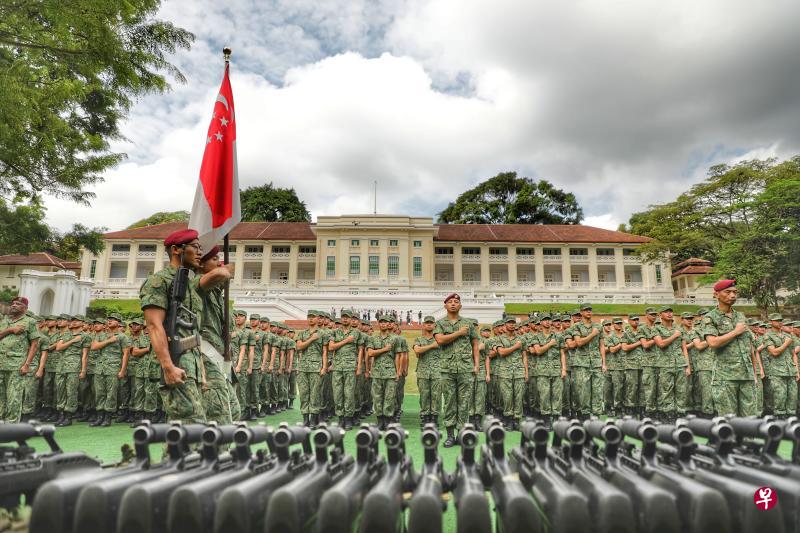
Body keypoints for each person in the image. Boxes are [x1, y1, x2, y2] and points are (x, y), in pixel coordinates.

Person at [140, 228, 232, 423]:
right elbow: (154, 326)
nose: (200, 252)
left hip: (193, 365)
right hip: (174, 361)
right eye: (195, 247)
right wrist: (168, 366)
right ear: (176, 250)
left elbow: (193, 333)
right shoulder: (159, 281)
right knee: (191, 425)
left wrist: (203, 373)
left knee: (188, 428)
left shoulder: (189, 286)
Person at [702, 280, 759, 417]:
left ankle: (747, 440)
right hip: (725, 377)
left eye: (735, 292)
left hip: (746, 375)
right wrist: (735, 332)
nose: (732, 295)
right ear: (716, 294)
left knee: (750, 419)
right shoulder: (710, 317)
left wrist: (754, 373)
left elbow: (749, 346)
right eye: (728, 292)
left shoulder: (740, 316)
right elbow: (712, 343)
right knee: (729, 419)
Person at [197, 246, 236, 425]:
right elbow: (215, 276)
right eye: (214, 259)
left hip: (219, 355)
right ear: (201, 263)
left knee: (233, 410)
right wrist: (224, 272)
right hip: (206, 355)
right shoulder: (197, 286)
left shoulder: (216, 294)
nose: (219, 262)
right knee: (218, 414)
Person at [434, 293, 479, 447]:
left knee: (464, 402)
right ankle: (450, 435)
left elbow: (475, 345)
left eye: (456, 301)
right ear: (445, 306)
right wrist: (459, 333)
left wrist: (476, 364)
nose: (453, 304)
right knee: (449, 402)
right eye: (450, 302)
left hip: (465, 368)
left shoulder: (468, 323)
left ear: (460, 306)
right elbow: (440, 340)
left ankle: (461, 434)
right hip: (447, 369)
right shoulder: (440, 324)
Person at [0, 297, 41, 422]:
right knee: (1, 397)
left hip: (16, 365)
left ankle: (11, 425)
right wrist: (10, 330)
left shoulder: (30, 322)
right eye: (13, 303)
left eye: (18, 304)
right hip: (1, 363)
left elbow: (34, 344)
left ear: (25, 308)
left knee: (14, 397)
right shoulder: (5, 320)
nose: (14, 305)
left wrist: (27, 364)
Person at [53, 316, 92, 426]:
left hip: (74, 366)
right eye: (73, 321)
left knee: (71, 391)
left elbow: (85, 355)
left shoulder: (85, 336)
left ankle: (68, 416)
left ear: (82, 323)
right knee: (60, 390)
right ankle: (61, 414)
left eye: (77, 321)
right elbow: (58, 348)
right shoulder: (66, 334)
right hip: (61, 366)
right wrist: (73, 341)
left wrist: (83, 370)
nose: (74, 323)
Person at [653, 306, 691, 420]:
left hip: (680, 364)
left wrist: (687, 366)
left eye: (671, 312)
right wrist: (674, 335)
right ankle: (668, 415)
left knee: (682, 390)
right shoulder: (656, 329)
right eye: (666, 312)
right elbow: (661, 344)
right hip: (665, 364)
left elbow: (684, 348)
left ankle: (680, 414)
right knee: (666, 391)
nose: (669, 314)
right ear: (661, 315)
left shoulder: (679, 329)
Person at [328, 309, 363, 429]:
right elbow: (331, 347)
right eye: (343, 317)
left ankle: (348, 418)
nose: (345, 319)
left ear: (351, 318)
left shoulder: (356, 332)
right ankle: (340, 418)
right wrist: (346, 341)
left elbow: (360, 350)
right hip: (337, 366)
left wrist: (359, 367)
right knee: (337, 394)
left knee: (349, 394)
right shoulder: (334, 332)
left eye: (347, 317)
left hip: (350, 366)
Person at [367, 315, 401, 430]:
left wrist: (398, 372)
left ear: (389, 324)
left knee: (389, 397)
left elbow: (397, 356)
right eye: (381, 322)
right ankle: (380, 421)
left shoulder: (395, 339)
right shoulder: (373, 339)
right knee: (377, 397)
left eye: (385, 322)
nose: (383, 324)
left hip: (390, 372)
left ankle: (387, 421)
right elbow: (370, 353)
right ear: (378, 324)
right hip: (377, 372)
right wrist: (384, 350)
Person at [532, 314, 566, 429]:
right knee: (544, 395)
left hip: (556, 369)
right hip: (542, 371)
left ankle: (556, 419)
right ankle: (546, 419)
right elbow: (538, 351)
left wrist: (564, 369)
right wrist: (550, 344)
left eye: (548, 319)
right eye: (544, 320)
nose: (547, 322)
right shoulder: (536, 337)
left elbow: (562, 354)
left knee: (557, 395)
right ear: (540, 323)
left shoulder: (558, 337)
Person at [571, 304, 605, 418]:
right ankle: (584, 414)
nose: (589, 312)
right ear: (581, 313)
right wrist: (592, 334)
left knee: (598, 389)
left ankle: (596, 414)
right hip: (582, 362)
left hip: (596, 362)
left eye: (590, 310)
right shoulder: (576, 327)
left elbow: (601, 346)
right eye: (586, 310)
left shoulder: (598, 326)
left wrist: (603, 363)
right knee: (584, 390)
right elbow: (579, 343)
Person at [762, 313, 799, 417]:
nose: (780, 322)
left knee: (793, 397)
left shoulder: (788, 336)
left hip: (791, 371)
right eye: (777, 320)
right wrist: (786, 343)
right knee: (780, 397)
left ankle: (791, 419)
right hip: (777, 371)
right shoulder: (767, 336)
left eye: (780, 320)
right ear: (771, 322)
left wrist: (797, 370)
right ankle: (780, 419)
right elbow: (774, 352)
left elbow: (793, 354)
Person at [295, 310, 328, 427]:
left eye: (313, 317)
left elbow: (325, 352)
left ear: (318, 319)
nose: (311, 319)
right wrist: (311, 339)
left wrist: (324, 367)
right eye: (309, 317)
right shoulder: (302, 333)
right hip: (303, 367)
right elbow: (299, 347)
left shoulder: (323, 334)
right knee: (304, 394)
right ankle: (305, 418)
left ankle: (314, 418)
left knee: (315, 394)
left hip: (316, 367)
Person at [496, 317, 527, 431]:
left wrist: (526, 371)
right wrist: (515, 346)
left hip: (519, 371)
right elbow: (501, 352)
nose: (512, 325)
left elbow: (524, 356)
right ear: (504, 325)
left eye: (513, 323)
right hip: (505, 372)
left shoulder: (521, 339)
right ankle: (508, 420)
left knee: (519, 397)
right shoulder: (499, 339)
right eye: (509, 323)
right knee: (507, 397)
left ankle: (517, 420)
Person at [413, 316, 441, 428]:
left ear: (435, 325)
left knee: (436, 396)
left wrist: (426, 347)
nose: (429, 325)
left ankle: (434, 418)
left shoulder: (440, 339)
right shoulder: (419, 339)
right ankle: (425, 418)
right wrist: (432, 346)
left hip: (437, 371)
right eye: (427, 323)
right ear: (424, 325)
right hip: (423, 371)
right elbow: (417, 350)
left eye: (431, 323)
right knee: (424, 396)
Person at [603, 318, 626, 417]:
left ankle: (618, 408)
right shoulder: (609, 336)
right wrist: (621, 344)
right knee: (607, 389)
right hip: (610, 365)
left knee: (619, 389)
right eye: (617, 323)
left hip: (622, 366)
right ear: (613, 325)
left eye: (620, 323)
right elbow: (612, 350)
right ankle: (608, 407)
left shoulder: (626, 335)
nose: (619, 325)